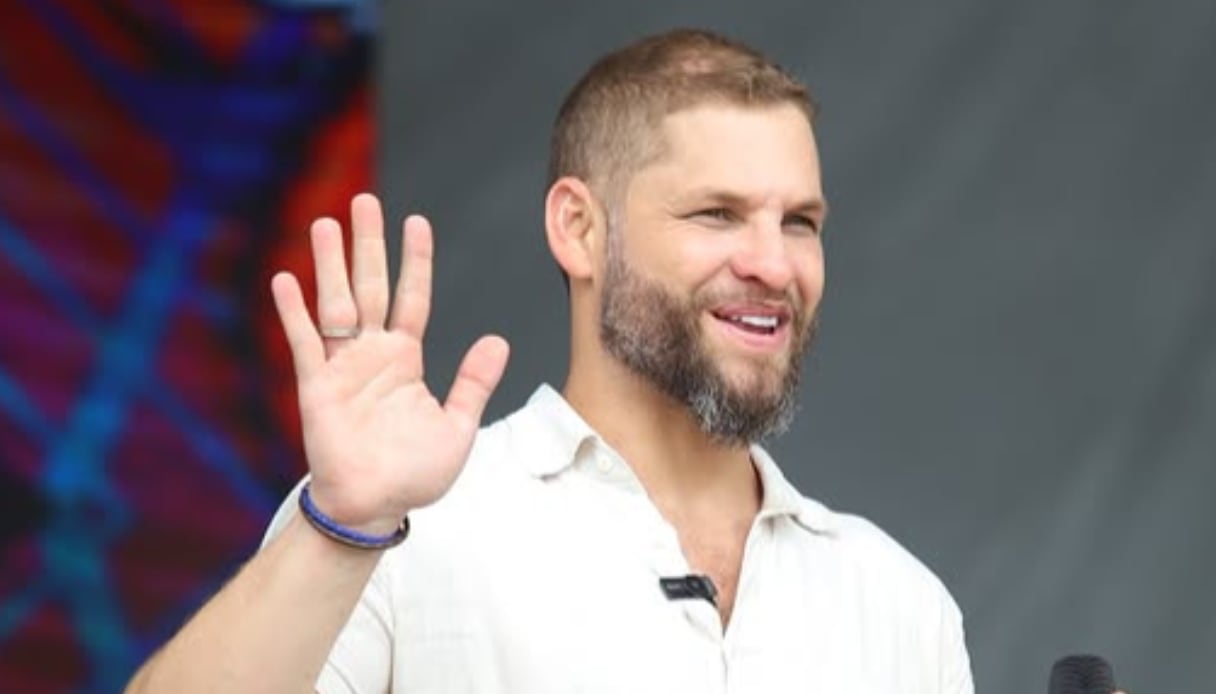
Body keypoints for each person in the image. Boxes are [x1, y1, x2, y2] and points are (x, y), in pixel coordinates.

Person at [126, 28, 975, 693]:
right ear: (578, 229)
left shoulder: (900, 602)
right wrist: (341, 526)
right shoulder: (402, 527)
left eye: (800, 222)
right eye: (717, 214)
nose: (775, 264)